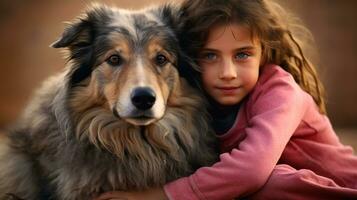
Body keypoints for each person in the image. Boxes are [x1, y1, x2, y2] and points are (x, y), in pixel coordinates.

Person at [96, 0, 357, 199]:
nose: (228, 74)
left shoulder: (281, 93)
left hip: (341, 185)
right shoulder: (197, 97)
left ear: (263, 53)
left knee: (270, 181)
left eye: (242, 55)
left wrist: (162, 194)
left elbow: (251, 171)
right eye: (210, 56)